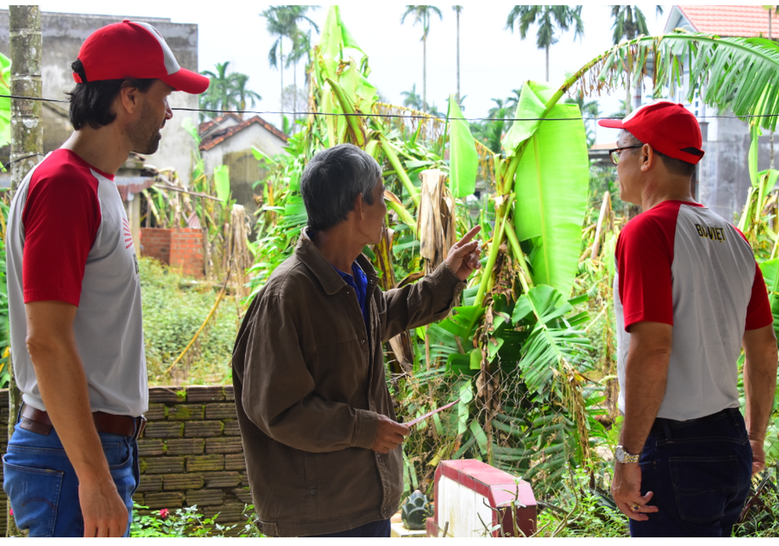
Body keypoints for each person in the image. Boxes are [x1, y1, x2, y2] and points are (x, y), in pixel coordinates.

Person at [3, 21, 208, 537]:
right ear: (129, 97)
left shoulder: (98, 185)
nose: (170, 110)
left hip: (84, 451)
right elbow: (46, 340)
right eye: (165, 96)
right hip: (73, 457)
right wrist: (93, 478)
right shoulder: (65, 186)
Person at [232, 143, 481, 537]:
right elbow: (275, 410)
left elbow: (389, 312)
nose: (387, 211)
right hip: (319, 520)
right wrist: (364, 429)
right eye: (382, 198)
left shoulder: (353, 280)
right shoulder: (287, 296)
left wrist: (448, 277)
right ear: (359, 206)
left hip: (366, 505)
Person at [599, 102, 778, 537]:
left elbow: (653, 349)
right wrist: (754, 438)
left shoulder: (646, 232)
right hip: (728, 442)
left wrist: (627, 458)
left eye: (619, 150)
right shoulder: (735, 239)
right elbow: (764, 348)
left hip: (675, 450)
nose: (616, 162)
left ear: (646, 157)